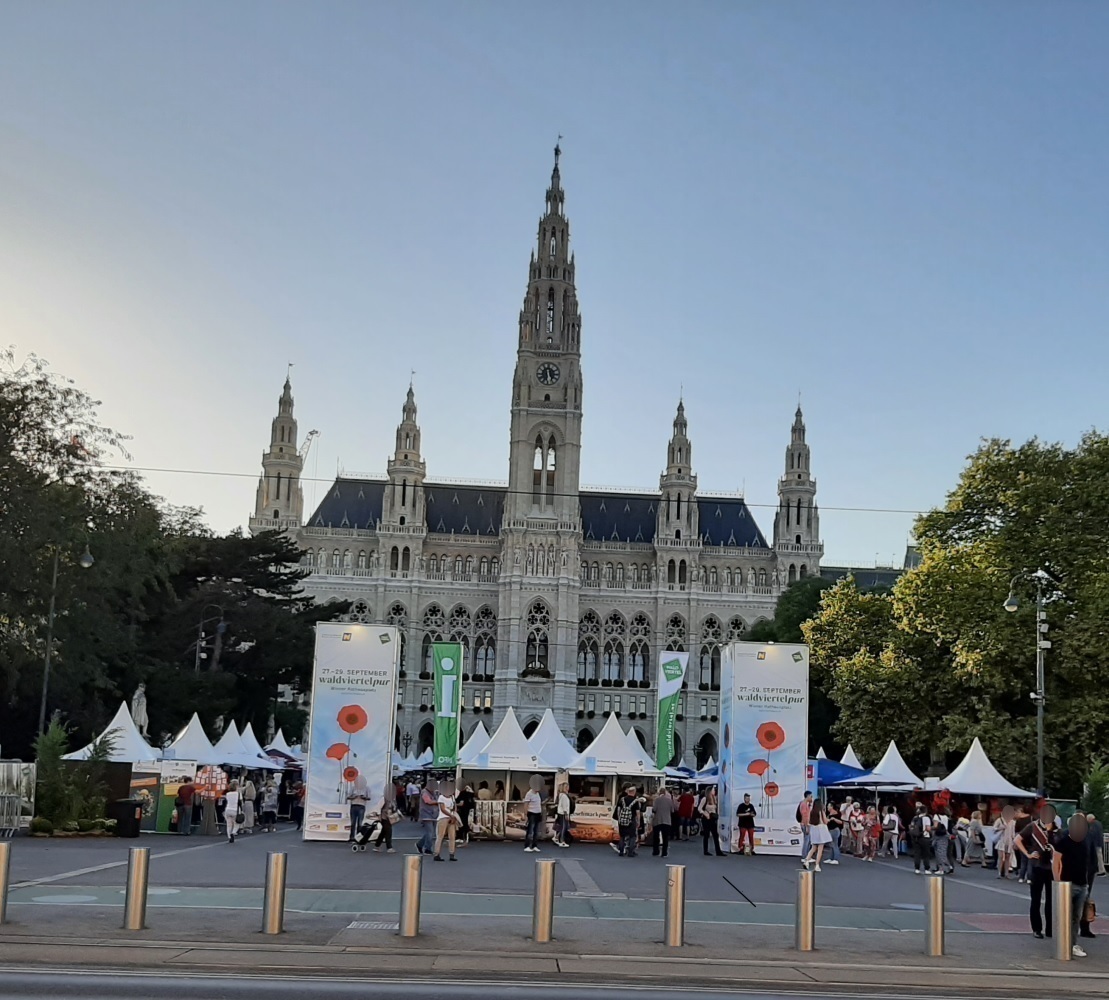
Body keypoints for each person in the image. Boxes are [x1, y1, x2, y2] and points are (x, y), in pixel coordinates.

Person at [1053, 812, 1097, 957]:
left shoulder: (1085, 841)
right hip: (1067, 884)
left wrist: (1088, 880)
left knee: (1076, 917)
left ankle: (1072, 943)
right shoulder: (1063, 841)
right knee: (1065, 915)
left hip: (1082, 884)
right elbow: (1056, 861)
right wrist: (1058, 881)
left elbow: (1089, 861)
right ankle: (1062, 943)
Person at [1016, 803, 1058, 939]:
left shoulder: (1057, 830)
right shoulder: (1033, 827)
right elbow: (1017, 840)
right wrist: (1028, 854)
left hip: (1052, 868)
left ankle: (1050, 929)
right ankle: (1037, 928)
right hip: (1037, 867)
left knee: (1051, 900)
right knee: (1036, 899)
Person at [1080, 812, 1102, 939]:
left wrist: (1093, 869)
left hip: (1087, 871)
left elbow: (1093, 853)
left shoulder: (1089, 835)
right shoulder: (1068, 835)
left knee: (1085, 899)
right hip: (1075, 872)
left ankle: (1085, 927)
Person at [612, 785, 642, 858]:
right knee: (632, 836)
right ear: (634, 792)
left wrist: (619, 818)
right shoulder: (635, 801)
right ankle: (630, 852)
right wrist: (638, 821)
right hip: (631, 821)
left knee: (622, 836)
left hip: (622, 821)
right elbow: (637, 812)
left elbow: (618, 809)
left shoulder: (622, 799)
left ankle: (621, 851)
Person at [802, 802, 832, 872]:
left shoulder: (811, 812)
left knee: (813, 847)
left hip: (814, 830)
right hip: (821, 830)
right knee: (820, 848)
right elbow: (825, 821)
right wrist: (828, 820)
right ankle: (817, 865)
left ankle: (806, 860)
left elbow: (809, 821)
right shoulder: (821, 812)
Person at [433, 783, 459, 862]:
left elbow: (454, 807)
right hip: (444, 817)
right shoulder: (442, 797)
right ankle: (438, 853)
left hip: (448, 817)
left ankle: (450, 853)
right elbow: (443, 809)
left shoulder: (451, 797)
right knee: (442, 836)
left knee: (450, 836)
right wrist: (452, 816)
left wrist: (453, 815)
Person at [910, 804, 936, 874]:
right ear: (925, 811)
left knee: (917, 853)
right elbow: (928, 828)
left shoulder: (915, 818)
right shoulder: (926, 818)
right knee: (926, 854)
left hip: (916, 837)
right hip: (925, 837)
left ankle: (917, 868)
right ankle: (927, 869)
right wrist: (931, 832)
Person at [699, 787, 723, 857]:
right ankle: (705, 850)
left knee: (715, 834)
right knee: (706, 834)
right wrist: (705, 813)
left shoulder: (714, 798)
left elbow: (715, 808)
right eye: (713, 790)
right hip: (706, 818)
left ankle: (718, 851)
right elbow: (699, 808)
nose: (714, 791)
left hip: (713, 818)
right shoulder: (705, 799)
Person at [416, 780, 439, 855]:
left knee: (430, 833)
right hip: (426, 815)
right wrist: (438, 802)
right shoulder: (424, 792)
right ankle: (427, 848)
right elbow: (428, 801)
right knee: (430, 832)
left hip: (434, 814)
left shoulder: (434, 792)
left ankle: (419, 844)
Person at [995, 805, 1016, 879]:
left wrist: (1014, 842)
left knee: (1008, 857)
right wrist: (1000, 828)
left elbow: (1013, 833)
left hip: (1009, 841)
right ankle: (999, 873)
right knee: (1000, 857)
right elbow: (994, 829)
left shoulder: (1013, 822)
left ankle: (1006, 873)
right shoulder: (1000, 820)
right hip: (1001, 840)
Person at [652, 788, 674, 858]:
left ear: (659, 793)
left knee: (656, 837)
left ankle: (656, 851)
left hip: (657, 820)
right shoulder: (670, 800)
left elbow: (654, 809)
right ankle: (664, 852)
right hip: (667, 820)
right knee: (665, 838)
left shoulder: (657, 800)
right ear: (665, 793)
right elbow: (672, 810)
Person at [373, 787, 396, 853]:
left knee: (384, 832)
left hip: (390, 817)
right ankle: (389, 847)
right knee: (388, 831)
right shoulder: (384, 799)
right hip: (384, 817)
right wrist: (379, 815)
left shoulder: (392, 799)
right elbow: (379, 807)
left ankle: (377, 846)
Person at [347, 774, 369, 842]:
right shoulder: (353, 788)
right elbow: (348, 797)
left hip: (361, 806)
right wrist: (353, 797)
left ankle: (358, 838)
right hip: (354, 805)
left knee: (360, 823)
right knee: (353, 823)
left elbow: (369, 798)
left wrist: (363, 797)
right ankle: (351, 838)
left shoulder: (367, 788)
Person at [523, 783, 544, 852]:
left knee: (536, 831)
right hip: (532, 813)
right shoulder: (529, 794)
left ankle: (534, 845)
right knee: (530, 830)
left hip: (538, 813)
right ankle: (527, 846)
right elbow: (526, 804)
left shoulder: (537, 794)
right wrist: (525, 815)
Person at [796, 791, 813, 859]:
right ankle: (805, 856)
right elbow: (804, 816)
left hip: (806, 824)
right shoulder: (803, 804)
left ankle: (807, 855)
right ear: (808, 796)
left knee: (808, 840)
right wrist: (807, 826)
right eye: (811, 796)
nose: (812, 798)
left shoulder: (806, 804)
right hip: (805, 824)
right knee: (807, 840)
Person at [554, 782, 572, 848]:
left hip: (560, 813)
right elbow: (565, 806)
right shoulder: (564, 796)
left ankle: (557, 838)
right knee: (564, 827)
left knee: (562, 827)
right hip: (563, 813)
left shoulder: (561, 795)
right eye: (566, 787)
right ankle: (562, 841)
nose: (568, 788)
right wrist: (566, 814)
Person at [224, 779, 241, 844]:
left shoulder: (228, 794)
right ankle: (233, 832)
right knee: (237, 823)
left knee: (229, 824)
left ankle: (229, 836)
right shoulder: (238, 794)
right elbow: (240, 802)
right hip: (235, 810)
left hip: (228, 809)